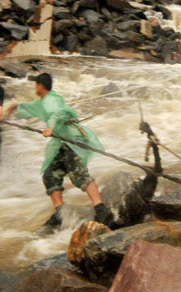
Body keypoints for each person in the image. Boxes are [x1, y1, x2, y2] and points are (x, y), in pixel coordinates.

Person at [6, 72, 114, 229]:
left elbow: (57, 113)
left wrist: (51, 127)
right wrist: (15, 107)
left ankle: (101, 209)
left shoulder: (51, 100)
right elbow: (32, 107)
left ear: (40, 86)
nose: (35, 87)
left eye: (36, 85)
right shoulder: (44, 100)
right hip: (62, 143)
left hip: (72, 139)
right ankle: (60, 213)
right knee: (50, 175)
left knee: (79, 174)